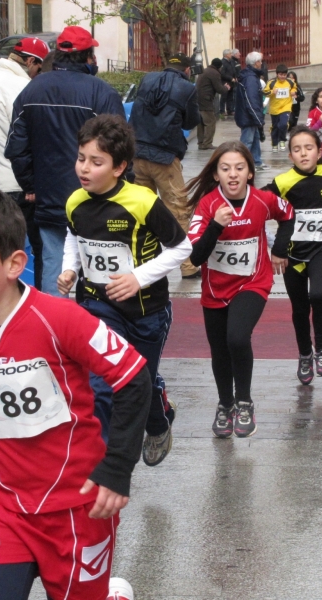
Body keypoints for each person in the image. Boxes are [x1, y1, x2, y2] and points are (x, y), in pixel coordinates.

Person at [0, 187, 148, 600]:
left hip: (80, 507)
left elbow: (134, 378)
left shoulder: (60, 319)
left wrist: (117, 469)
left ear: (14, 264)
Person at [58, 114, 191, 465]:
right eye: (81, 158)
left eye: (96, 162)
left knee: (139, 388)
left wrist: (138, 278)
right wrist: (69, 268)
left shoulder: (142, 201)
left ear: (119, 168)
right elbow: (74, 236)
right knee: (102, 383)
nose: (84, 169)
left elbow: (182, 248)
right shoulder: (75, 202)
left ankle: (159, 420)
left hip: (147, 312)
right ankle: (100, 462)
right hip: (98, 307)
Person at [5, 26, 125, 298]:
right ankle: (94, 327)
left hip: (48, 195)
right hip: (96, 198)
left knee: (53, 264)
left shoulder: (32, 90)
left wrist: (31, 185)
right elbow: (121, 147)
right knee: (100, 266)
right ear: (88, 55)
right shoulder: (100, 92)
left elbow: (16, 147)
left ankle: (53, 332)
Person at [184, 142, 293, 438]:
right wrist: (215, 227)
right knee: (219, 350)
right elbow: (194, 258)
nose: (233, 174)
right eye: (225, 168)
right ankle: (225, 404)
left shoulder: (261, 200)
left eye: (239, 168)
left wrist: (280, 250)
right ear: (216, 175)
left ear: (250, 172)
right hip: (215, 289)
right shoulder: (207, 206)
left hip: (253, 281)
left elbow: (288, 214)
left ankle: (244, 402)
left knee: (237, 337)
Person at [0, 37, 49, 289]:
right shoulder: (21, 88)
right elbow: (28, 139)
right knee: (37, 252)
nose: (39, 73)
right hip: (19, 183)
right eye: (39, 66)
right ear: (29, 61)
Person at [263, 125, 322, 384]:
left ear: (320, 152)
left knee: (318, 295)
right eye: (297, 149)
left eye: (309, 148)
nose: (303, 153)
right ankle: (305, 354)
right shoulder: (283, 182)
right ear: (290, 156)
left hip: (321, 249)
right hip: (293, 257)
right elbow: (257, 207)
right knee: (299, 308)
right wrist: (274, 243)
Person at [130, 52, 201, 280]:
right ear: (187, 70)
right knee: (178, 209)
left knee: (141, 211)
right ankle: (187, 266)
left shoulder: (147, 79)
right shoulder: (187, 88)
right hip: (165, 158)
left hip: (137, 153)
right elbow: (191, 121)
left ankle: (143, 262)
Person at [235, 51, 270, 170]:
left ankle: (257, 161)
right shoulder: (250, 78)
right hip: (248, 115)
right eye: (260, 61)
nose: (261, 63)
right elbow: (251, 99)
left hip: (248, 114)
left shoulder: (250, 76)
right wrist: (257, 116)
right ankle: (240, 163)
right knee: (247, 141)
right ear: (256, 63)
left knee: (255, 138)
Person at [196, 58, 229, 150]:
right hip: (206, 100)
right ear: (219, 67)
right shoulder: (214, 73)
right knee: (210, 122)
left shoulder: (205, 71)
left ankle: (201, 143)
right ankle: (207, 143)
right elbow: (219, 89)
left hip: (198, 99)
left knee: (201, 122)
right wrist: (226, 88)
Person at [264, 64, 298, 153]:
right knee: (275, 127)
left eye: (284, 75)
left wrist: (293, 92)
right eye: (280, 74)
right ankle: (274, 143)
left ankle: (282, 140)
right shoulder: (271, 82)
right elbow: (264, 92)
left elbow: (294, 88)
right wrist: (272, 92)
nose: (282, 76)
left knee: (283, 124)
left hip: (286, 107)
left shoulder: (290, 82)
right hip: (274, 109)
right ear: (277, 74)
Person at [219, 49, 236, 118]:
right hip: (225, 82)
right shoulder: (223, 62)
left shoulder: (231, 61)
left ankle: (230, 110)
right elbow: (222, 74)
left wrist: (235, 77)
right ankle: (222, 111)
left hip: (231, 82)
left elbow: (233, 70)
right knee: (224, 97)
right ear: (226, 55)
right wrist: (230, 78)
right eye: (230, 54)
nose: (231, 55)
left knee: (230, 97)